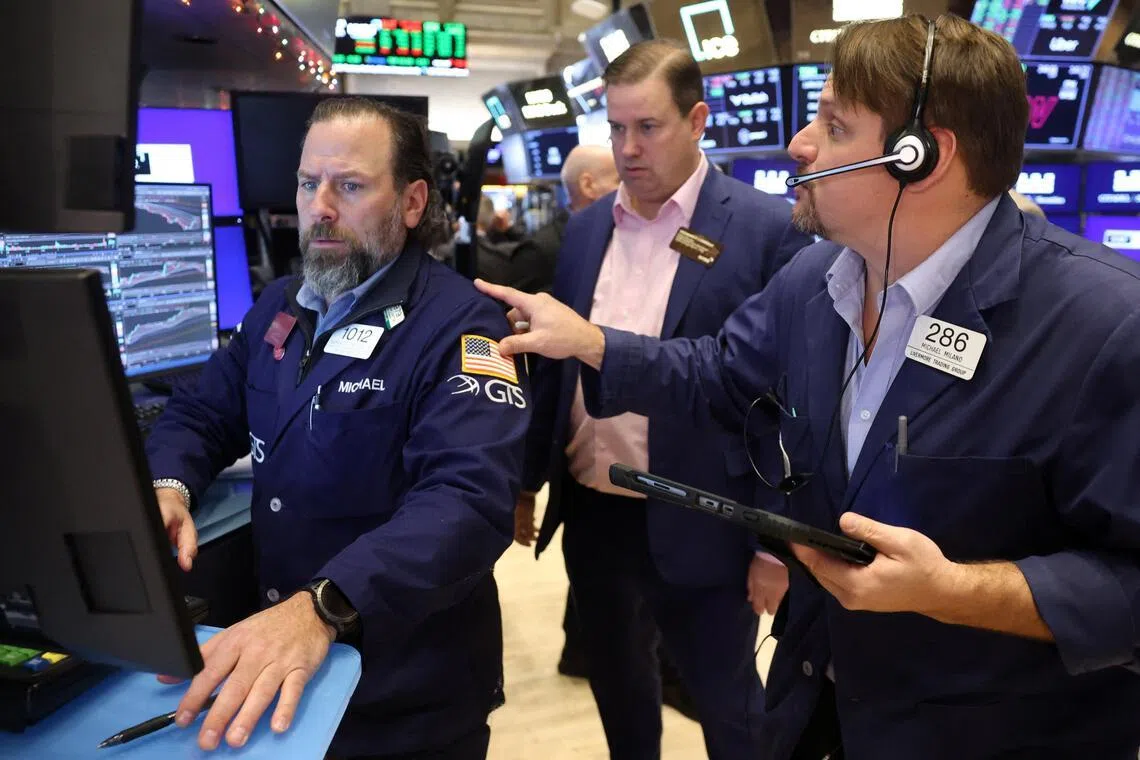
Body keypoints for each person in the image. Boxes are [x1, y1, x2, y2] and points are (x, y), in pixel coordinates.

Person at [476, 14, 1140, 760]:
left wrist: (956, 591)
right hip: (817, 710)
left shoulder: (1104, 326)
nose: (799, 144)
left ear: (920, 156)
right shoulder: (817, 279)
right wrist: (593, 344)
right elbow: (721, 374)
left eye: (834, 125)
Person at [146, 97, 530, 759]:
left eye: (349, 187)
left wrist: (324, 605)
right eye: (307, 184)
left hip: (406, 694)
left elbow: (466, 503)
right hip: (287, 671)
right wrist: (169, 485)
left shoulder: (463, 326)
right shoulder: (280, 304)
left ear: (412, 203)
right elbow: (201, 411)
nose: (319, 207)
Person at [512, 39, 813, 760]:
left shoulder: (765, 228)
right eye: (616, 128)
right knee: (618, 692)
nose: (628, 149)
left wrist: (775, 543)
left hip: (705, 514)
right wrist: (525, 481)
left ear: (697, 120)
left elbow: (789, 398)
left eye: (647, 127)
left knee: (731, 709)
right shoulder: (587, 228)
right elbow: (555, 369)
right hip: (593, 511)